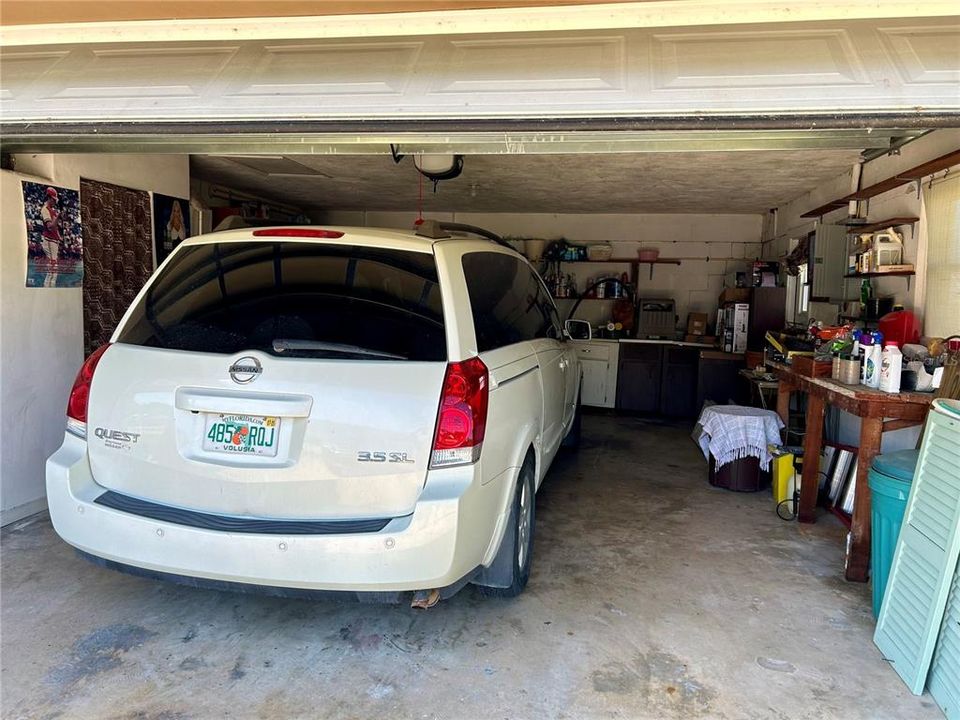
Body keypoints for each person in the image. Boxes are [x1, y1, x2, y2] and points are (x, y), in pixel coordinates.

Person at [40, 186, 61, 262]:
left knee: (53, 268)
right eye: (53, 199)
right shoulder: (45, 209)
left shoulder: (52, 210)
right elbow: (49, 226)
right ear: (49, 198)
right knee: (52, 267)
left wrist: (59, 237)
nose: (55, 202)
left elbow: (55, 227)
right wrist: (58, 217)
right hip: (49, 240)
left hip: (53, 240)